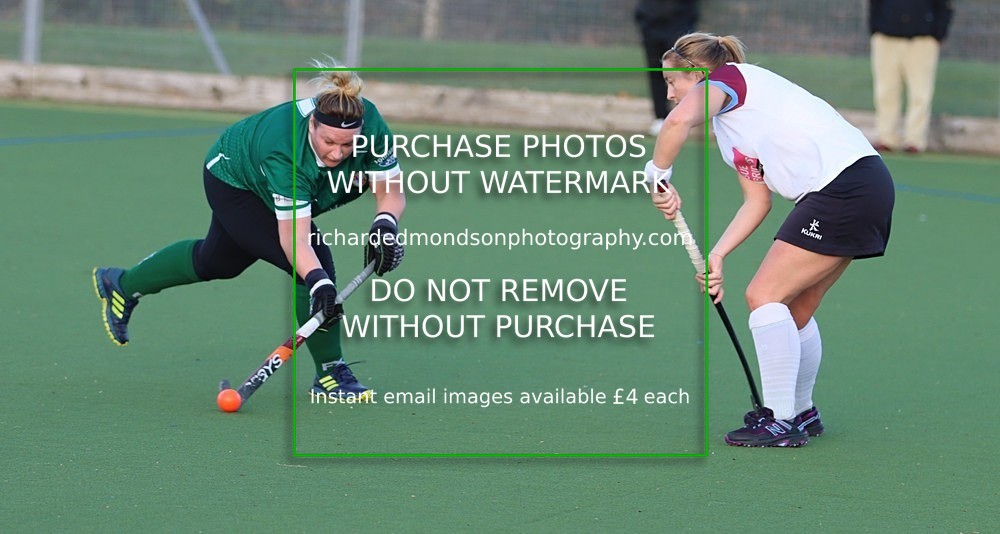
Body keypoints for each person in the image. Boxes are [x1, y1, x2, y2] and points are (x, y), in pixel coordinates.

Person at [92, 61, 405, 401]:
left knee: (218, 263)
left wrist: (385, 224)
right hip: (236, 181)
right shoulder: (285, 152)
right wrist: (319, 282)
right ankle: (330, 373)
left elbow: (391, 189)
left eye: (348, 146)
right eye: (330, 141)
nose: (337, 152)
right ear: (312, 123)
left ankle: (121, 284)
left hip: (281, 182)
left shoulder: (370, 123)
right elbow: (295, 240)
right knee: (315, 266)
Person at [646, 33, 894, 447]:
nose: (670, 95)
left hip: (843, 186)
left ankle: (780, 421)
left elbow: (676, 123)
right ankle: (802, 412)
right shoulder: (730, 131)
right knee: (794, 306)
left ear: (696, 75)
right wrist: (718, 254)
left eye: (673, 83)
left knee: (764, 295)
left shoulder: (731, 80)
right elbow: (757, 201)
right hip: (860, 186)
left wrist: (657, 174)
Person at [869, 0, 954, 154]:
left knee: (920, 93)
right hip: (886, 38)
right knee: (885, 91)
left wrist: (938, 34)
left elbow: (944, 6)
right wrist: (875, 29)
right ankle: (886, 137)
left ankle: (914, 140)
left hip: (922, 40)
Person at [634, 0, 700, 135]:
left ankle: (686, 116)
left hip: (681, 21)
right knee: (656, 71)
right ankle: (660, 118)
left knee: (684, 70)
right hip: (650, 22)